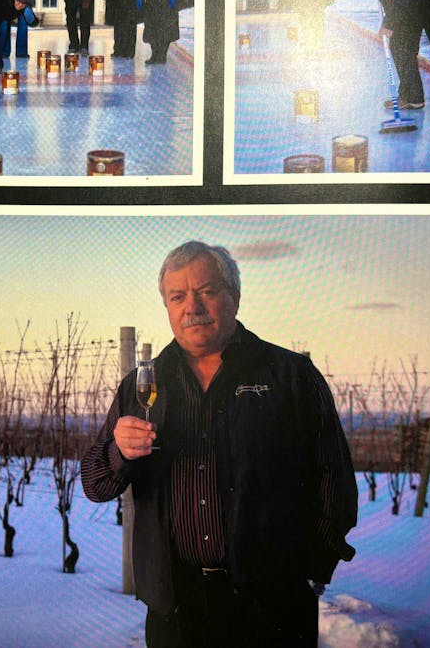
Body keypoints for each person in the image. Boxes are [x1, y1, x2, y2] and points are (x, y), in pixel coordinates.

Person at [81, 241, 358, 647]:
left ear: (235, 297)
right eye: (178, 296)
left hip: (273, 604)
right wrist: (119, 452)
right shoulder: (143, 386)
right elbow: (95, 484)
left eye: (207, 291)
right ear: (168, 307)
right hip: (175, 606)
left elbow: (334, 479)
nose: (191, 306)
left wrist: (312, 569)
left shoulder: (291, 376)